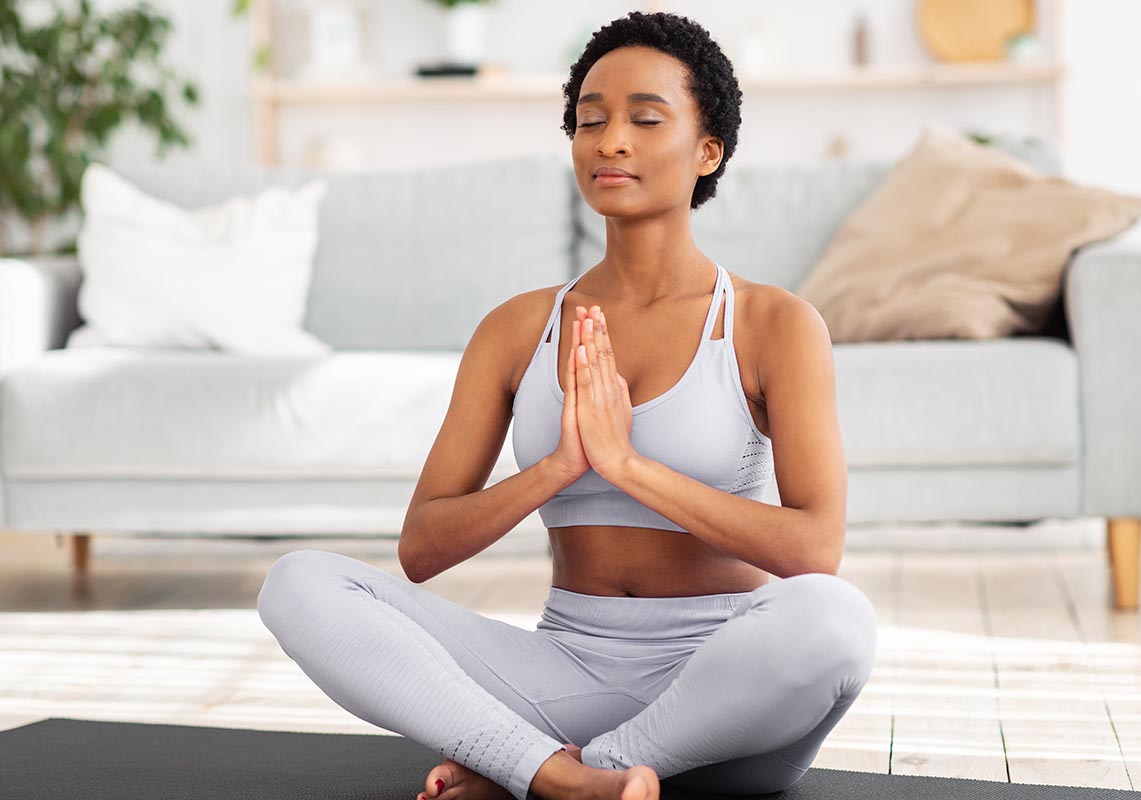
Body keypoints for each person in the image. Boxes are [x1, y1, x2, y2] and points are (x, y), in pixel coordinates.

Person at [256, 10, 877, 800]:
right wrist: (557, 467)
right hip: (563, 672)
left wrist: (628, 466)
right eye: (590, 120)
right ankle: (560, 775)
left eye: (645, 119)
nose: (610, 140)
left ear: (708, 150)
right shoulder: (517, 329)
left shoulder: (772, 325)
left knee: (835, 618)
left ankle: (555, 773)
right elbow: (422, 549)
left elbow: (814, 550)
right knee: (300, 581)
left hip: (731, 696)